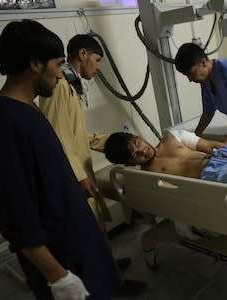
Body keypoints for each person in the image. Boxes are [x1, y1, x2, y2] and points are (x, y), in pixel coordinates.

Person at [0, 20, 119, 299]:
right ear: (35, 64)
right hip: (61, 257)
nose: (60, 75)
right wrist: (57, 276)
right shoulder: (3, 121)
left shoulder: (28, 109)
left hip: (75, 240)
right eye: (57, 65)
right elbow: (15, 213)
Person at [38, 34, 146, 296]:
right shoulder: (60, 86)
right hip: (73, 175)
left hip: (79, 168)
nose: (98, 68)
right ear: (83, 54)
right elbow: (56, 137)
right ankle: (110, 284)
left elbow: (77, 135)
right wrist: (78, 176)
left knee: (97, 226)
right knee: (89, 231)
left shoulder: (72, 86)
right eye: (97, 60)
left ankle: (108, 268)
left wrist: (119, 140)